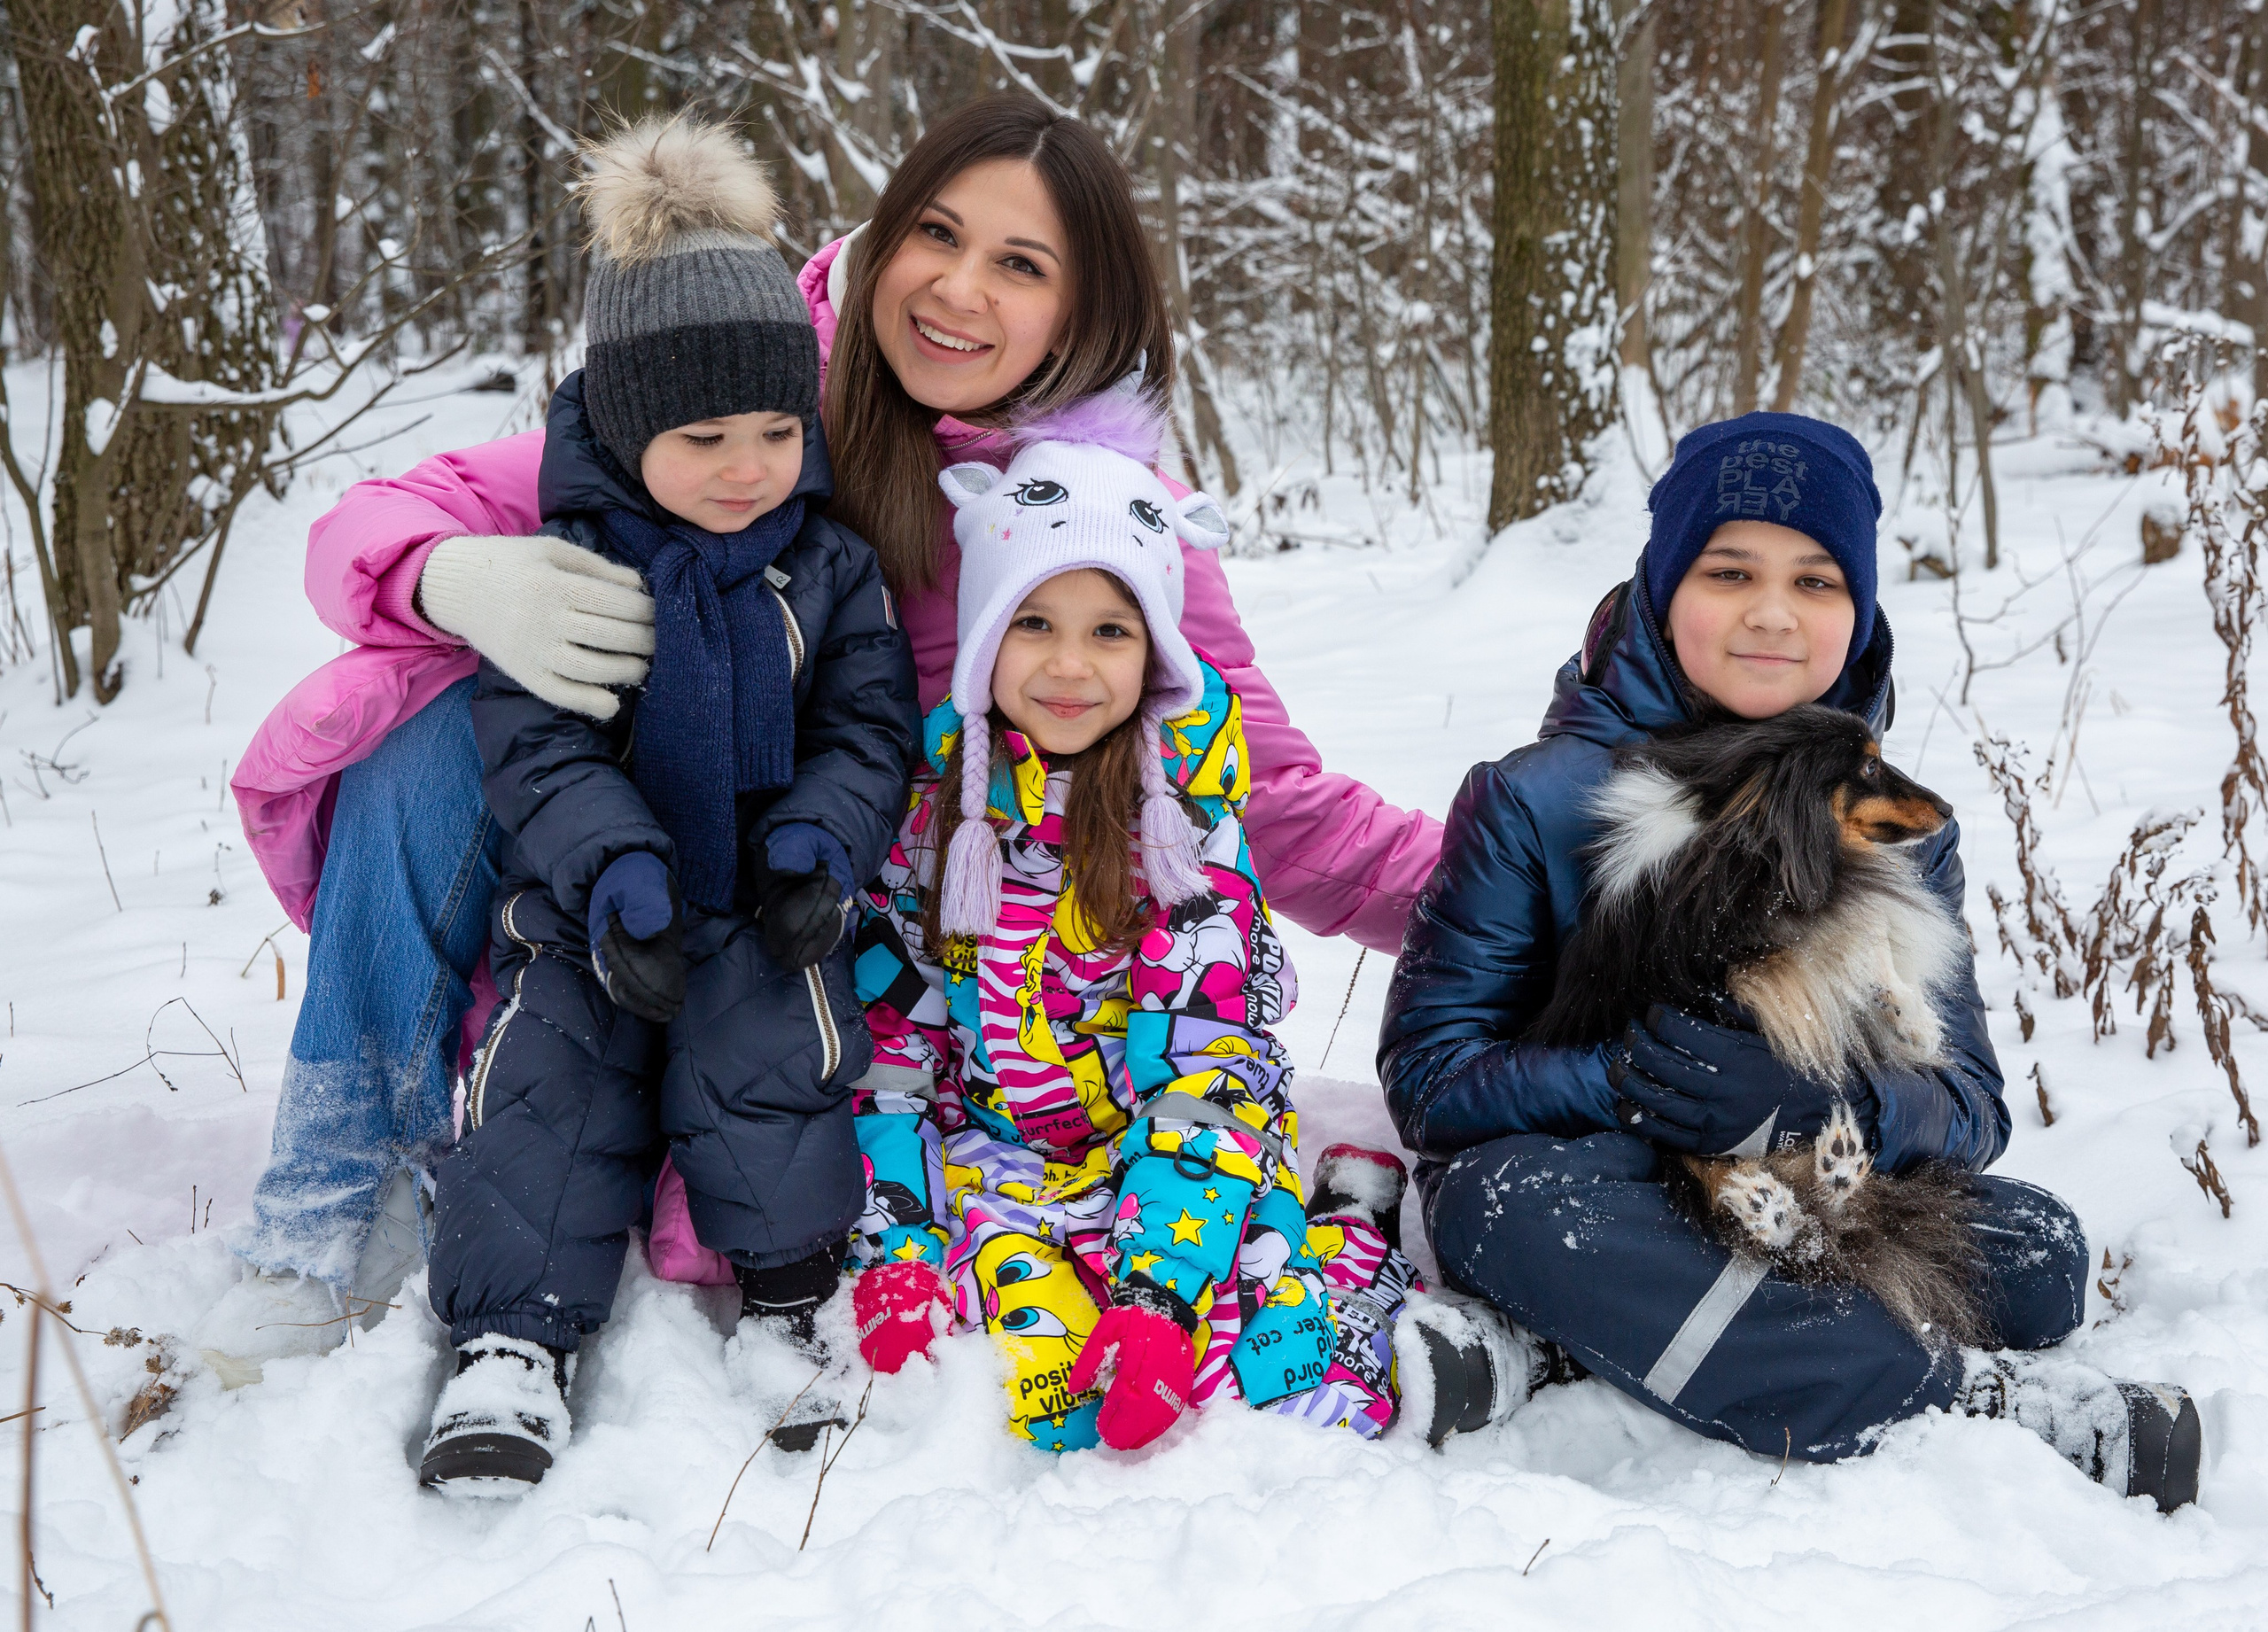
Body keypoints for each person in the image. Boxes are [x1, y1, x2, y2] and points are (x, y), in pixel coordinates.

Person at [213, 96, 1441, 1363]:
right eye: (937, 235)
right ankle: (343, 1179)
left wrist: (1513, 893)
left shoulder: (1096, 525)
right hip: (616, 882)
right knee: (416, 720)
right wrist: (450, 579)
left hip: (831, 928)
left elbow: (1262, 795)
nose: (957, 290)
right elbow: (370, 525)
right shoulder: (748, 384)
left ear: (1081, 311)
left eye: (1020, 266)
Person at [1377, 411, 2203, 1511]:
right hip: (1594, 1179)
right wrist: (1621, 1082)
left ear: (1857, 612)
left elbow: (1968, 1102)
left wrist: (1824, 1106)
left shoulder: (1887, 821)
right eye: (1729, 573)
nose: (1771, 614)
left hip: (1813, 1189)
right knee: (1510, 1210)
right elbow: (1431, 1081)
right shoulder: (1534, 797)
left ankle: (1567, 1346)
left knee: (2040, 1250)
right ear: (1663, 589)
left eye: (1816, 582)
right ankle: (1958, 1404)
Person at [408, 118, 919, 1496]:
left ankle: (790, 1295)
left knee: (779, 1046)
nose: (748, 465)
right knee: (548, 1077)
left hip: (760, 890)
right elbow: (534, 745)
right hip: (594, 902)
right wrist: (611, 862)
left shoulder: (828, 568)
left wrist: (820, 841)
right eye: (705, 437)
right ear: (631, 427)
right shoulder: (568, 567)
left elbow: (869, 727)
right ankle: (508, 1344)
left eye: (776, 430)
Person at [837, 392, 1441, 1450]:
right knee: (1041, 1396)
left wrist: (1161, 1289)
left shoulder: (1183, 837)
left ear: (1154, 654)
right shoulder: (933, 822)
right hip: (997, 1163)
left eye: (1109, 631)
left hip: (1179, 1150)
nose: (1069, 666)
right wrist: (897, 1245)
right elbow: (897, 1052)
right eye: (1033, 623)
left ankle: (1351, 1226)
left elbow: (1209, 1072)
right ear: (983, 640)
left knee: (1292, 1382)